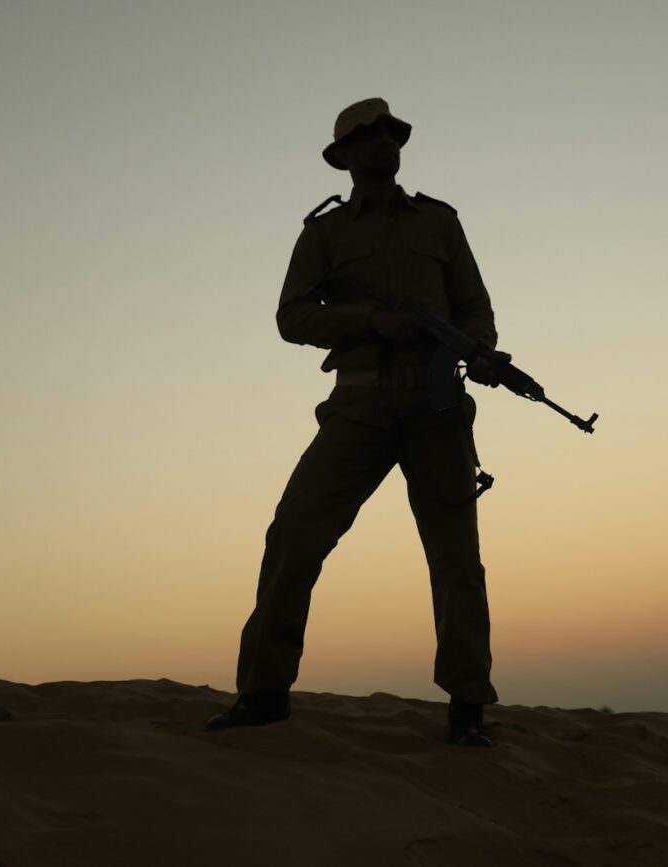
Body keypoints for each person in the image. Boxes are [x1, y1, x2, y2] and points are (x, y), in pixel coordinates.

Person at [204, 98, 501, 747]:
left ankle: (468, 707)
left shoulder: (440, 223)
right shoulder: (325, 234)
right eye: (368, 137)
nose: (382, 144)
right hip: (359, 405)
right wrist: (369, 321)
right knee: (294, 534)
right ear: (346, 155)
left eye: (390, 135)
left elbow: (475, 306)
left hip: (437, 408)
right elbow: (292, 317)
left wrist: (477, 349)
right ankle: (262, 692)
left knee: (457, 560)